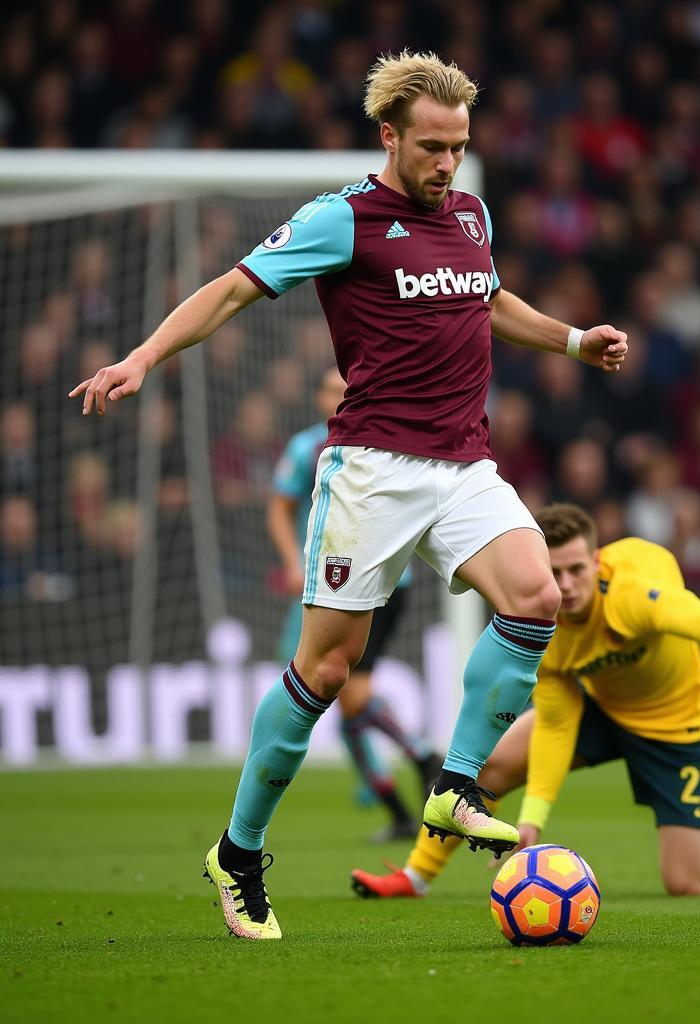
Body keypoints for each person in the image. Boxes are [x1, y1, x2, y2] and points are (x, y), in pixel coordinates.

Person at [69, 51, 628, 940]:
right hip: (372, 470)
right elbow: (227, 293)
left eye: (460, 148)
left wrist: (569, 340)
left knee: (536, 598)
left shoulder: (472, 214)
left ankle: (452, 788)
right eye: (433, 148)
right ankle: (240, 853)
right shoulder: (345, 219)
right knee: (328, 672)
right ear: (391, 137)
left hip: (464, 465)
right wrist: (140, 359)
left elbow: (485, 299)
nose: (448, 166)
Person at [352, 503, 700, 901]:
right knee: (492, 763)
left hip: (678, 727)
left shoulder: (633, 595)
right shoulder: (541, 620)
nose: (564, 586)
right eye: (553, 572)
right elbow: (555, 722)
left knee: (692, 884)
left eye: (575, 570)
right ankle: (414, 878)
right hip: (605, 709)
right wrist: (532, 821)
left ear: (596, 561)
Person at [267, 366, 442, 842]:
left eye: (341, 388)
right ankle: (400, 809)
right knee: (338, 698)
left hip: (386, 582)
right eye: (327, 388)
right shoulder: (307, 448)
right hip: (330, 582)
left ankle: (425, 755)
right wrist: (292, 562)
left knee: (347, 691)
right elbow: (279, 508)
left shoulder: (383, 444)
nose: (334, 396)